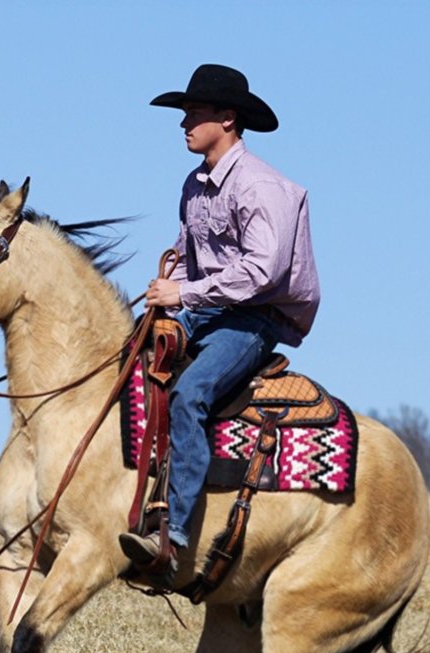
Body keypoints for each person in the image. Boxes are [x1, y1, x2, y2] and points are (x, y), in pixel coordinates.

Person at [119, 63, 321, 588]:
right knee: (127, 362)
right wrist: (168, 305)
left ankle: (173, 534)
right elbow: (188, 257)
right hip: (206, 308)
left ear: (228, 119)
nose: (183, 122)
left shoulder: (261, 187)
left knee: (192, 393)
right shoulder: (194, 184)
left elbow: (262, 272)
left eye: (195, 113)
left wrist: (183, 294)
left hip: (254, 317)